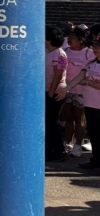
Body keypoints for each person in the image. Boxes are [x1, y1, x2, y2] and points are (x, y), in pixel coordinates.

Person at [66, 40, 100, 171]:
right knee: (93, 133)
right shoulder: (90, 62)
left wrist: (88, 83)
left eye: (98, 47)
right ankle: (95, 161)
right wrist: (67, 88)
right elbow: (79, 77)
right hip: (90, 104)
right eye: (94, 46)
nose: (95, 49)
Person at [63, 28, 94, 157]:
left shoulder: (89, 53)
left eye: (73, 37)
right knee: (68, 118)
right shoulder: (65, 51)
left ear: (81, 40)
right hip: (66, 90)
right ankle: (68, 144)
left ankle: (78, 146)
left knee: (79, 118)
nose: (70, 39)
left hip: (82, 92)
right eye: (69, 36)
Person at [45, 26, 69, 162]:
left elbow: (58, 75)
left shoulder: (60, 54)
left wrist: (51, 92)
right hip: (46, 90)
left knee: (52, 122)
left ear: (49, 40)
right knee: (48, 122)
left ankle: (59, 150)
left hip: (55, 92)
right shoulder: (47, 51)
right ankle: (50, 149)